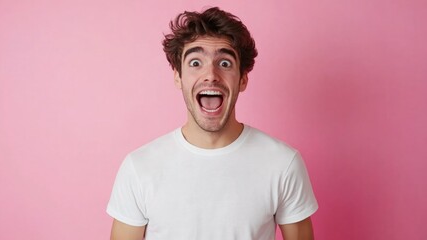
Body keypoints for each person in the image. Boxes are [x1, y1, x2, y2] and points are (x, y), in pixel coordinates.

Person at [107, 7, 318, 240]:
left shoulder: (283, 163)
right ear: (178, 76)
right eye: (195, 63)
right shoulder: (139, 167)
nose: (211, 75)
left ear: (243, 78)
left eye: (225, 63)